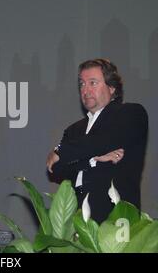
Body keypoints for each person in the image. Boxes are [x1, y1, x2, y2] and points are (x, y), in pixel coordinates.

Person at [46, 58, 148, 223]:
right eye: (82, 84)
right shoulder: (74, 130)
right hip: (76, 219)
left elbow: (103, 141)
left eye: (92, 83)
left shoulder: (131, 113)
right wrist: (93, 160)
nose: (85, 90)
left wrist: (61, 151)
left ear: (112, 87)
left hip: (114, 219)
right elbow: (57, 168)